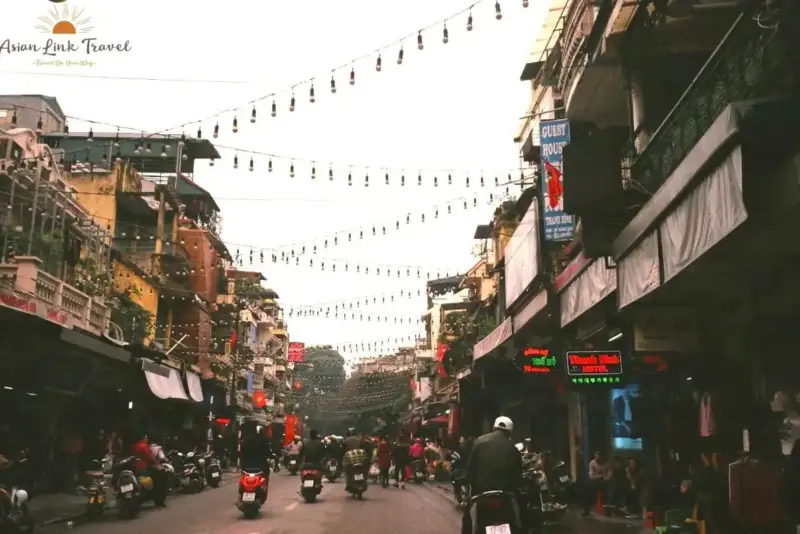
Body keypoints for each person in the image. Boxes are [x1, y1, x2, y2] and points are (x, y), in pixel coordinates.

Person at [464, 416, 525, 534]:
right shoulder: (512, 447)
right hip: (506, 494)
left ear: (494, 428)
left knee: (467, 520)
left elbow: (470, 469)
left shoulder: (479, 441)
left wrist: (469, 483)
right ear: (510, 432)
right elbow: (518, 473)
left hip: (481, 493)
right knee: (522, 518)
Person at [130, 433, 166, 507]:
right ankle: (159, 499)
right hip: (144, 467)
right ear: (143, 438)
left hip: (134, 467)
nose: (147, 439)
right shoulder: (144, 446)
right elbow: (150, 457)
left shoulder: (134, 446)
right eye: (146, 437)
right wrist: (157, 464)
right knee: (160, 478)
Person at [582, 451, 609, 516]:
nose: (598, 457)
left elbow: (607, 475)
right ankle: (586, 510)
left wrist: (603, 476)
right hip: (594, 482)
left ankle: (606, 510)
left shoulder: (605, 463)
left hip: (603, 483)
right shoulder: (592, 463)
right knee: (587, 494)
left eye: (599, 456)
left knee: (604, 495)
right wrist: (600, 476)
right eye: (596, 456)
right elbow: (591, 476)